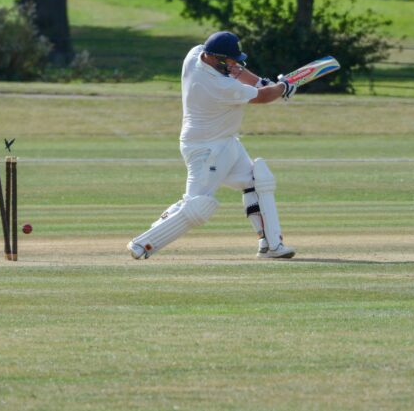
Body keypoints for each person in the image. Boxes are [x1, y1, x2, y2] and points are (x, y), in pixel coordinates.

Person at [127, 31, 298, 260]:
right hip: (207, 149)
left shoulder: (195, 55)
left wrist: (262, 82)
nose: (235, 65)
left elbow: (246, 77)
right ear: (216, 60)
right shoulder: (218, 85)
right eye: (230, 61)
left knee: (257, 181)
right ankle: (143, 243)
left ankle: (271, 245)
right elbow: (263, 97)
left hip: (224, 141)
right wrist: (283, 87)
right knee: (197, 206)